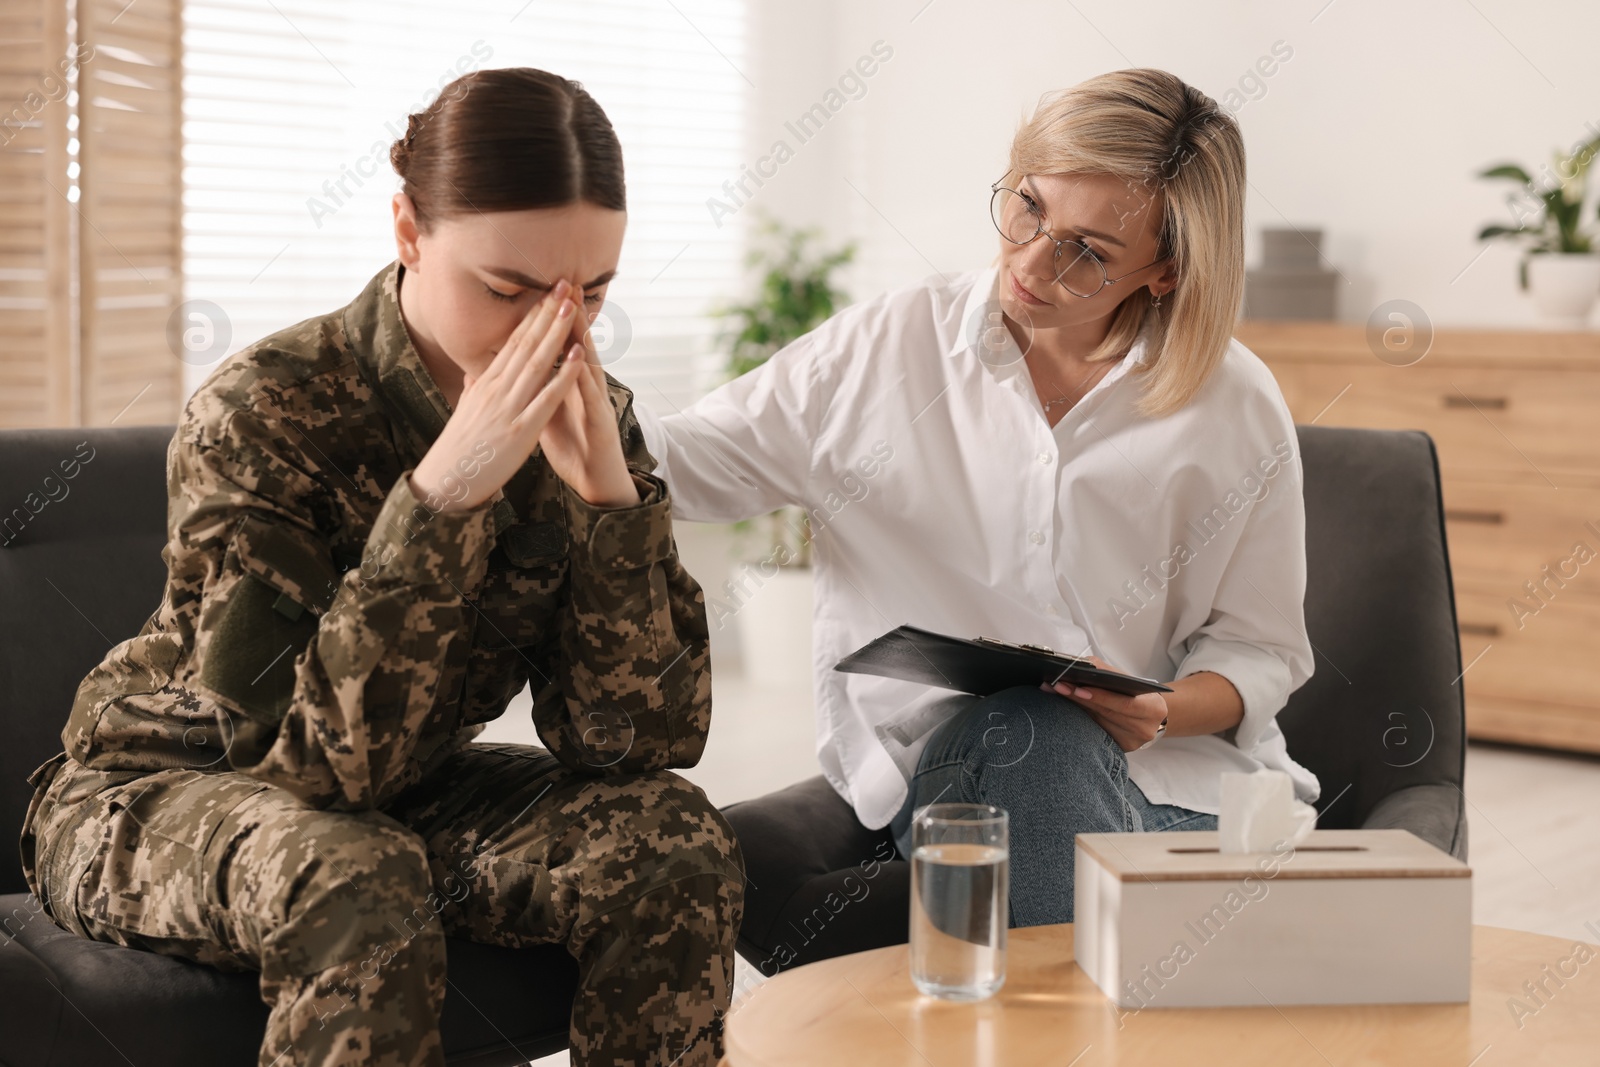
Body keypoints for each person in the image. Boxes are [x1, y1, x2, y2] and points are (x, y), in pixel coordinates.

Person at [19, 67, 742, 1067]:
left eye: (591, 294)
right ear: (408, 230)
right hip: (161, 792)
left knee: (673, 841)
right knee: (355, 871)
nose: (554, 332)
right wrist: (445, 497)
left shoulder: (589, 415)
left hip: (405, 789)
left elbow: (636, 742)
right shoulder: (259, 410)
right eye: (507, 288)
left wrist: (612, 509)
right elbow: (314, 763)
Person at [635, 68, 1317, 927]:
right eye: (1028, 206)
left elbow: (1260, 652)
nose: (1031, 262)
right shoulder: (888, 346)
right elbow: (694, 460)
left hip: (1177, 796)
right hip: (963, 770)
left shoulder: (1234, 405)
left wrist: (1161, 707)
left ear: (1166, 271)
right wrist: (571, 402)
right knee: (1026, 733)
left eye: (1087, 253)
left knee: (1049, 757)